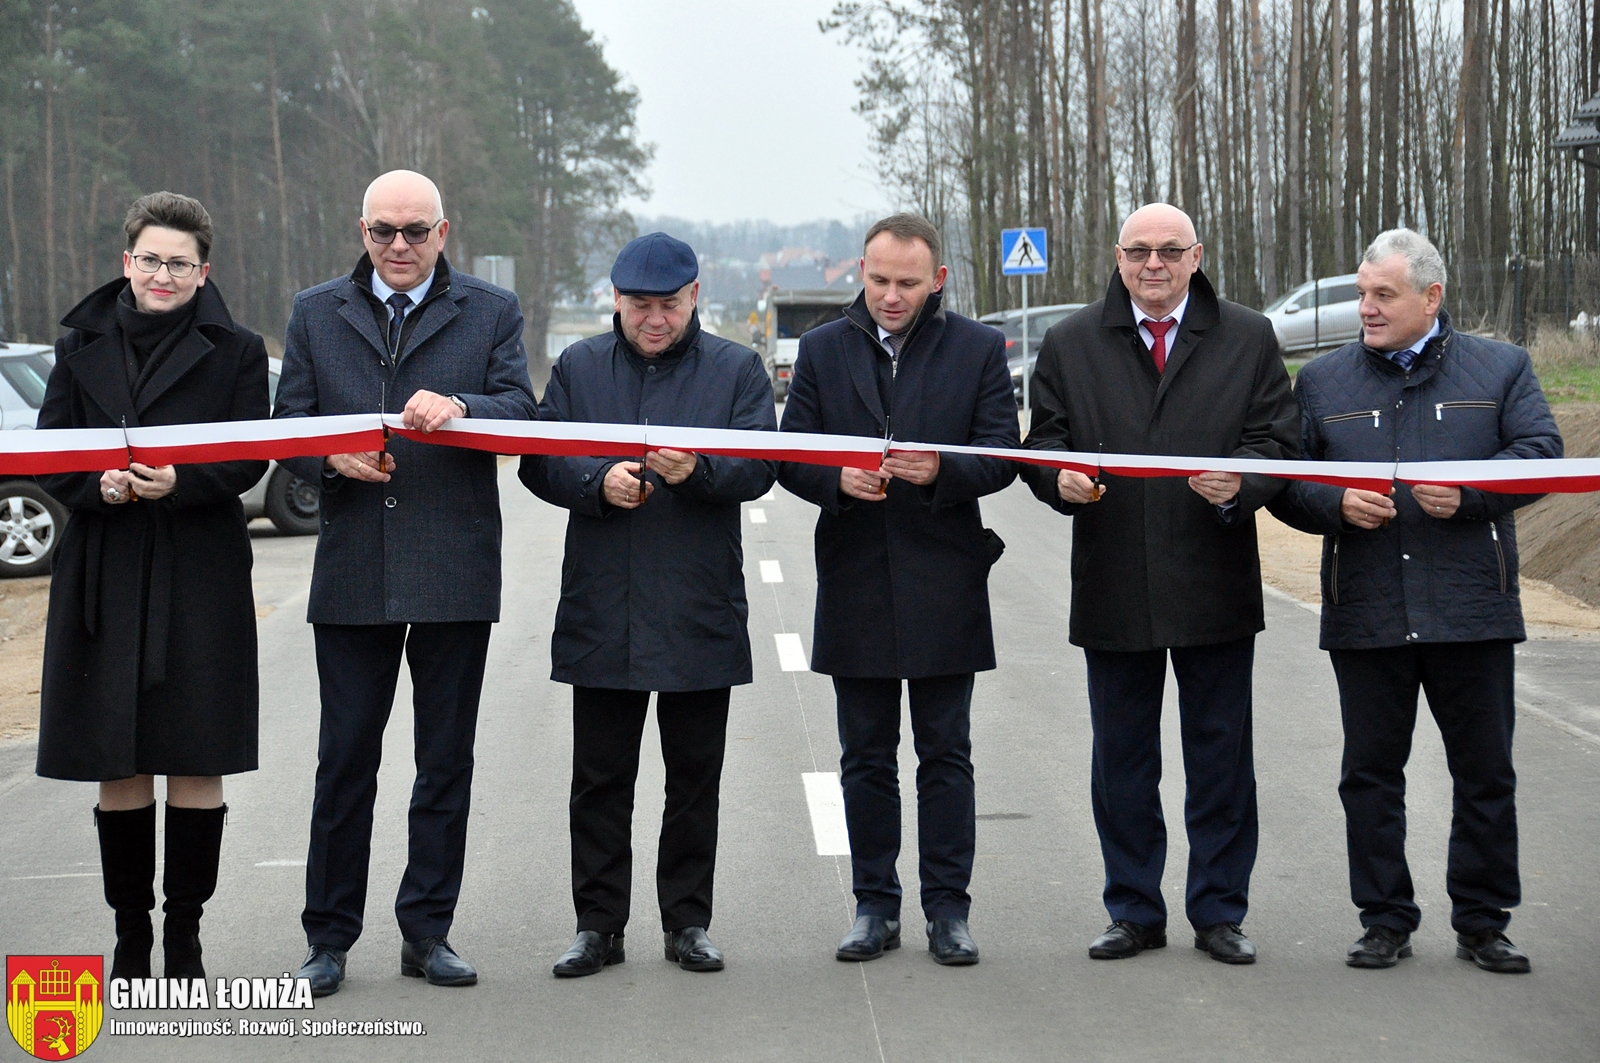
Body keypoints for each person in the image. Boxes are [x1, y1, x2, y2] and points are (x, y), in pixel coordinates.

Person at [1268, 228, 1561, 974]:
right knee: (1369, 775)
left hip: (1472, 609)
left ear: (1431, 297)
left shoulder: (1500, 368)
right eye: (1361, 293)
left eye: (1382, 295)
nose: (1365, 307)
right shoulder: (1324, 382)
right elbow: (1288, 483)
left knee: (1485, 772)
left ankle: (1484, 921)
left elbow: (1540, 452)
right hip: (1367, 608)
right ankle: (1384, 918)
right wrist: (1336, 505)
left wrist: (1470, 495)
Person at [274, 169, 537, 996]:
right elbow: (287, 428)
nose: (398, 245)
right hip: (354, 567)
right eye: (383, 231)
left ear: (443, 232)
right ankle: (328, 937)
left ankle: (428, 930)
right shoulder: (318, 311)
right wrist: (330, 458)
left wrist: (463, 405)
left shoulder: (491, 311)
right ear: (361, 231)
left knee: (443, 760)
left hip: (453, 563)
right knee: (344, 759)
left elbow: (526, 415)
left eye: (414, 231)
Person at [1023, 203, 1298, 965]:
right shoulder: (1072, 342)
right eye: (1140, 250)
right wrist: (1059, 480)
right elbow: (1042, 442)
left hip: (1213, 577)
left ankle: (1219, 911)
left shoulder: (1246, 336)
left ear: (1197, 255)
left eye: (1170, 251)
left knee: (1220, 759)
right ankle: (1133, 908)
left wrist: (1242, 481)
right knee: (1123, 760)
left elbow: (1279, 437)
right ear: (1117, 257)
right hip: (1114, 579)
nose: (1154, 264)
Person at [520, 232, 776, 977]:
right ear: (616, 301)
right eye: (639, 307)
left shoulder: (735, 369)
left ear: (695, 297)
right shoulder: (578, 367)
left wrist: (698, 471)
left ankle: (687, 920)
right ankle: (597, 924)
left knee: (694, 777)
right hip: (605, 601)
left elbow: (763, 463)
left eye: (668, 305)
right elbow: (540, 457)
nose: (654, 320)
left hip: (699, 601)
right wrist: (596, 483)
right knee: (600, 778)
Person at [35, 191, 268, 981]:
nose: (161, 274)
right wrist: (92, 488)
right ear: (124, 262)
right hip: (102, 569)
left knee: (196, 758)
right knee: (119, 760)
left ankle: (186, 934)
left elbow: (249, 457)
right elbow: (49, 454)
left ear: (203, 272)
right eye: (149, 259)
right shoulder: (76, 346)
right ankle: (130, 935)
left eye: (178, 262)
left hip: (198, 570)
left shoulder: (238, 350)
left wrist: (184, 480)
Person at [778, 213, 1018, 967]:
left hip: (946, 575)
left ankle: (949, 909)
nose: (890, 295)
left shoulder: (978, 348)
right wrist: (835, 479)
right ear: (862, 270)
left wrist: (942, 470)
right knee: (866, 756)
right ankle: (873, 906)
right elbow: (790, 454)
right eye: (878, 279)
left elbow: (1002, 453)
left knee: (947, 752)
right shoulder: (820, 349)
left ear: (936, 281)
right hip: (854, 577)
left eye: (907, 283)